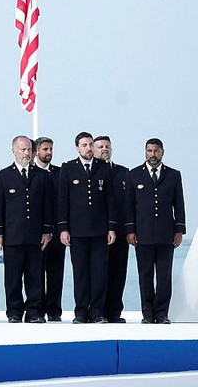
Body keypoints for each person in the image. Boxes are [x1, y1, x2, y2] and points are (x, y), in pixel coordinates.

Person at [0, 135, 54, 323]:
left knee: (35, 276)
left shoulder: (43, 176)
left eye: (29, 150)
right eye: (22, 150)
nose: (26, 153)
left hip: (35, 235)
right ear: (13, 151)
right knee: (12, 277)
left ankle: (34, 311)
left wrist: (47, 231)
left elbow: (48, 206)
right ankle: (14, 312)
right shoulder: (3, 176)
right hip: (12, 235)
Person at [56, 131, 116, 324]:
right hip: (77, 231)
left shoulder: (103, 168)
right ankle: (81, 312)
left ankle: (97, 311)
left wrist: (111, 227)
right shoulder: (68, 168)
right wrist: (63, 228)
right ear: (77, 148)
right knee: (81, 273)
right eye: (84, 145)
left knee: (99, 273)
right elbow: (62, 200)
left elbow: (110, 200)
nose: (89, 148)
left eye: (91, 145)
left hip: (100, 231)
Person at [124, 138, 186, 324]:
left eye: (156, 151)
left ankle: (162, 313)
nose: (153, 154)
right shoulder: (134, 174)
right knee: (145, 275)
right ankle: (148, 314)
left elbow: (179, 205)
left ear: (162, 152)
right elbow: (129, 207)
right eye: (149, 150)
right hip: (142, 235)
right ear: (145, 152)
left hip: (166, 235)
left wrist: (179, 231)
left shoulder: (174, 175)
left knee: (164, 276)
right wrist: (130, 230)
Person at [94, 135, 131, 323]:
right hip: (98, 233)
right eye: (100, 146)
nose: (104, 149)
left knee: (118, 272)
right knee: (99, 273)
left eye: (107, 146)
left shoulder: (123, 172)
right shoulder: (90, 173)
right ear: (93, 149)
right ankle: (97, 311)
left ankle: (114, 311)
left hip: (121, 233)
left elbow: (131, 203)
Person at [33, 136, 65, 321]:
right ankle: (36, 309)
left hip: (57, 233)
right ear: (37, 151)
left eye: (51, 149)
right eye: (45, 149)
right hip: (35, 234)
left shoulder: (61, 173)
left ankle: (54, 310)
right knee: (36, 274)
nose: (49, 153)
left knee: (55, 274)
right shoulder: (30, 173)